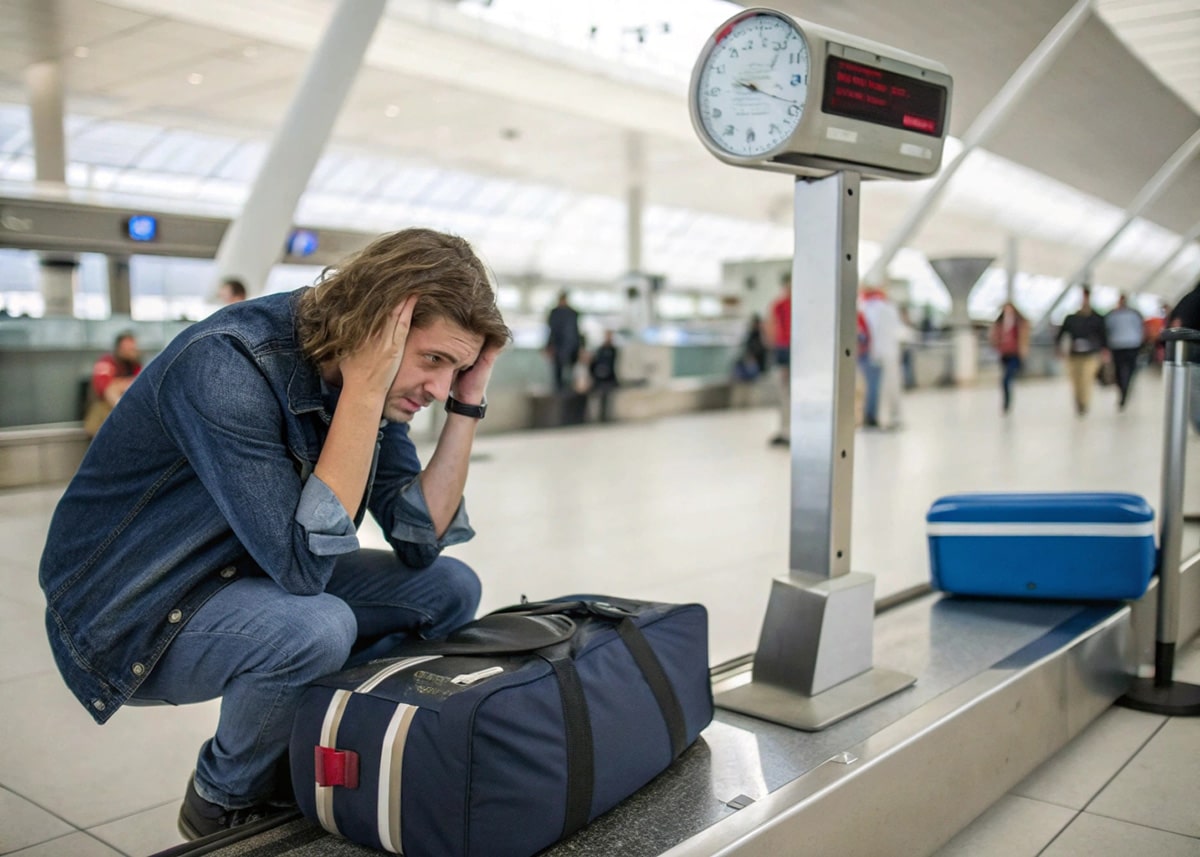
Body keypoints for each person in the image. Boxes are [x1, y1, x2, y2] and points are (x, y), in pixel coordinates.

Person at [39, 228, 510, 839]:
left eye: (459, 370)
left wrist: (467, 406)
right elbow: (303, 570)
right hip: (130, 607)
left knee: (447, 587)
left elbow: (421, 540)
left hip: (246, 567)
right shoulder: (226, 364)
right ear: (378, 329)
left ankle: (325, 742)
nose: (438, 389)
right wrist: (365, 394)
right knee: (315, 627)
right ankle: (221, 795)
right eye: (435, 361)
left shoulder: (371, 380)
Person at [859, 286, 908, 430]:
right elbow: (899, 331)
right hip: (889, 352)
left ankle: (880, 418)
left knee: (877, 388)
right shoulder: (887, 308)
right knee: (890, 387)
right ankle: (893, 417)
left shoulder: (868, 308)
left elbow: (870, 331)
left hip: (876, 353)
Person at [1055, 286, 1107, 416]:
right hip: (1074, 354)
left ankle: (1084, 403)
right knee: (1076, 380)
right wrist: (1058, 349)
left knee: (1087, 378)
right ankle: (1078, 401)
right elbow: (1060, 334)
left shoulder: (1097, 318)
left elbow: (1104, 336)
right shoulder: (1071, 318)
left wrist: (1105, 351)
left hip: (1091, 354)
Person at [84, 330, 143, 437]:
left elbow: (140, 386)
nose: (131, 351)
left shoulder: (135, 365)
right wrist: (122, 385)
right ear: (119, 348)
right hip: (103, 415)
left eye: (132, 348)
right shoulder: (106, 362)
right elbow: (103, 388)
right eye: (127, 348)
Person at [1167, 278, 1200, 432]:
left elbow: (1175, 323)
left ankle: (1198, 423)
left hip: (1191, 352)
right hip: (1194, 351)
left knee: (1195, 391)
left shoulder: (1188, 299)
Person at [1104, 293, 1145, 410]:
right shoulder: (1116, 315)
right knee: (1120, 370)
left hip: (1128, 345)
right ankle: (1124, 388)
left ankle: (1124, 389)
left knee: (1126, 370)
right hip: (1121, 345)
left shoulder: (1115, 315)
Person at [989, 301, 1029, 413]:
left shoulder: (1019, 323)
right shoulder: (1000, 323)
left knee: (1006, 378)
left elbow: (1024, 335)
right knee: (1005, 377)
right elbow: (994, 336)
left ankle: (1007, 402)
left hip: (1015, 353)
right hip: (1004, 353)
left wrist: (1023, 349)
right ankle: (1006, 399)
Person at [766, 274, 792, 446]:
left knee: (790, 393)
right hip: (785, 350)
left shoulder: (789, 305)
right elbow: (772, 327)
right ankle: (786, 430)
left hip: (793, 349)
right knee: (785, 392)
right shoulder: (780, 305)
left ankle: (788, 430)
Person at [545, 290, 581, 392]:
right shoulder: (555, 313)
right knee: (558, 376)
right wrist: (549, 346)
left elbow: (575, 331)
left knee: (569, 375)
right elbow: (552, 331)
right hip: (559, 347)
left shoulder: (572, 313)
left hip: (570, 348)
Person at [588, 330, 620, 422]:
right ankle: (600, 417)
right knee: (600, 398)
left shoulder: (613, 350)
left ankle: (606, 417)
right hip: (600, 378)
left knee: (608, 398)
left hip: (609, 378)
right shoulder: (600, 350)